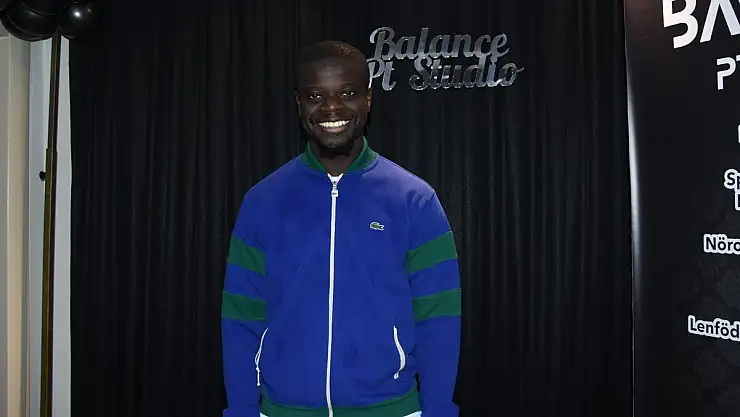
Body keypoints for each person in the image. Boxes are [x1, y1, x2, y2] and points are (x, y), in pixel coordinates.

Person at [220, 40, 462, 417]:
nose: (331, 108)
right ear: (298, 103)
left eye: (347, 93)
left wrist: (439, 411)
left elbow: (439, 318)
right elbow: (241, 317)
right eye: (315, 96)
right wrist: (241, 410)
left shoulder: (414, 200)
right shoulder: (262, 202)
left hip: (392, 410)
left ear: (368, 99)